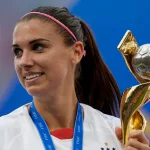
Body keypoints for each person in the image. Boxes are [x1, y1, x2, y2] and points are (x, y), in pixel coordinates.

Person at [0, 6, 149, 150]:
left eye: (38, 47)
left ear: (76, 52)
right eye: (18, 51)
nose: (24, 62)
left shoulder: (117, 133)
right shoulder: (4, 133)